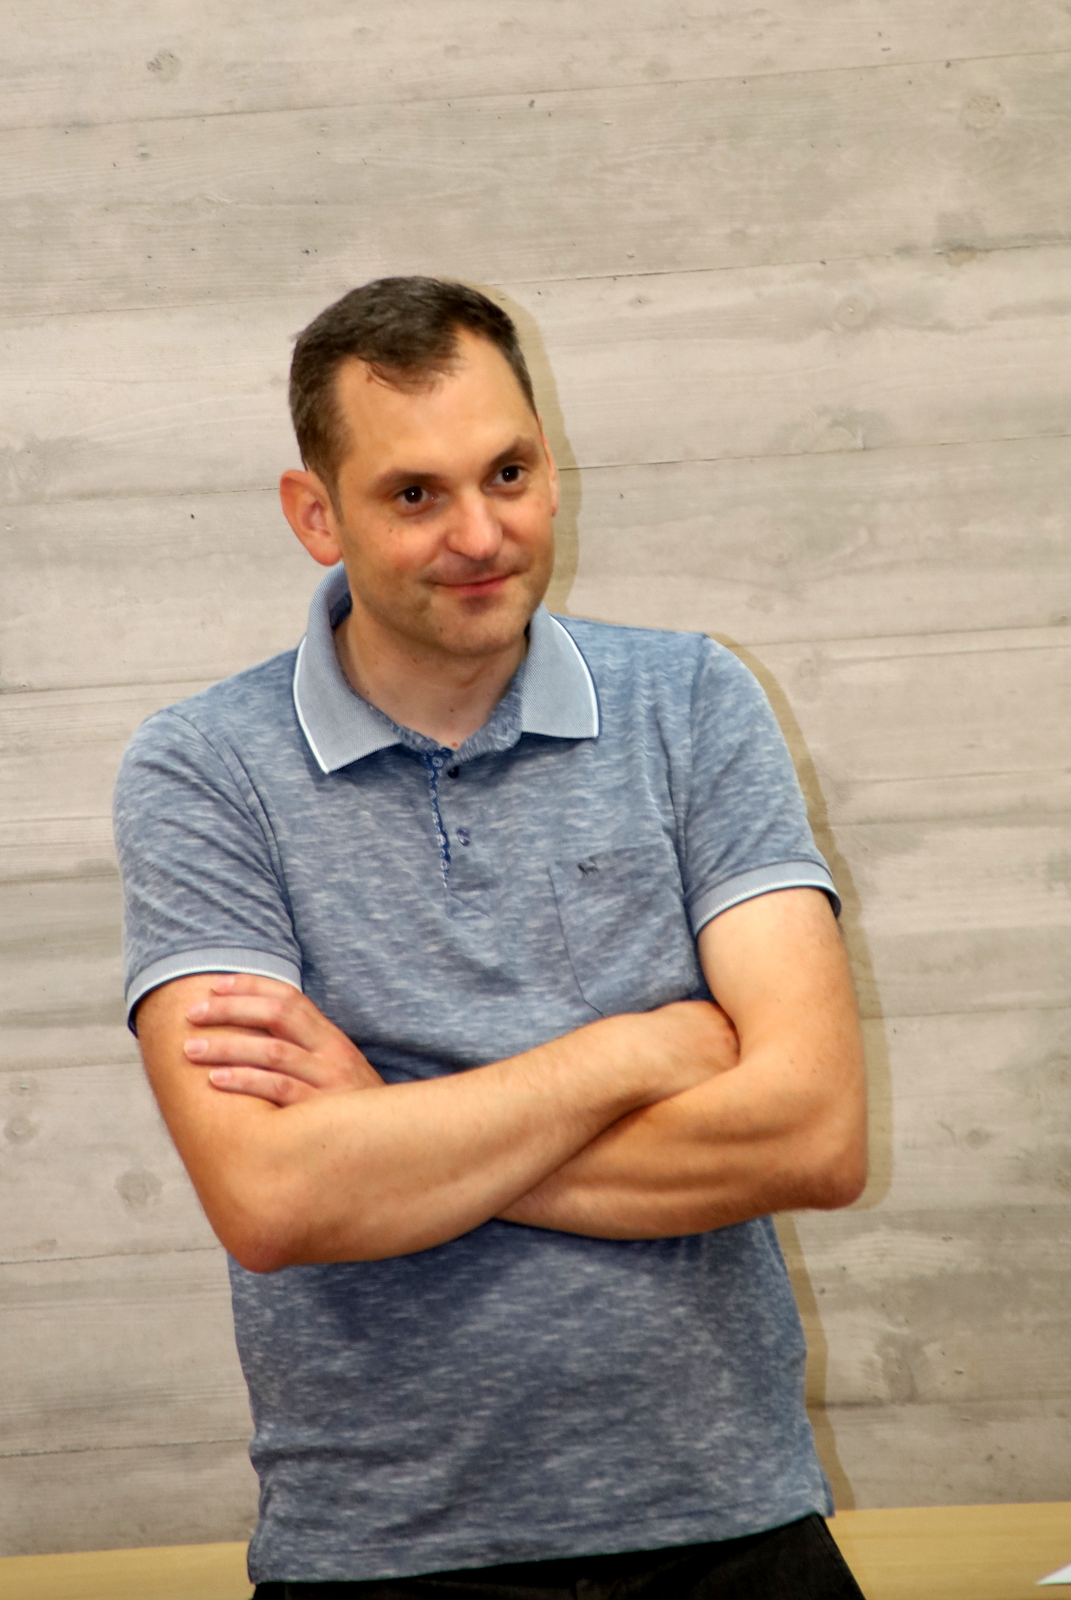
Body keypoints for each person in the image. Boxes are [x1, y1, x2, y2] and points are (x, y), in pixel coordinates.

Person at [114, 277, 868, 1600]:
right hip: (380, 1555)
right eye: (414, 494)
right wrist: (637, 1052)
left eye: (508, 473)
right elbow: (276, 1202)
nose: (480, 534)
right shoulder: (204, 771)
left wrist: (383, 1133)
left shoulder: (693, 702)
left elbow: (811, 1136)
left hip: (734, 1529)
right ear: (315, 514)